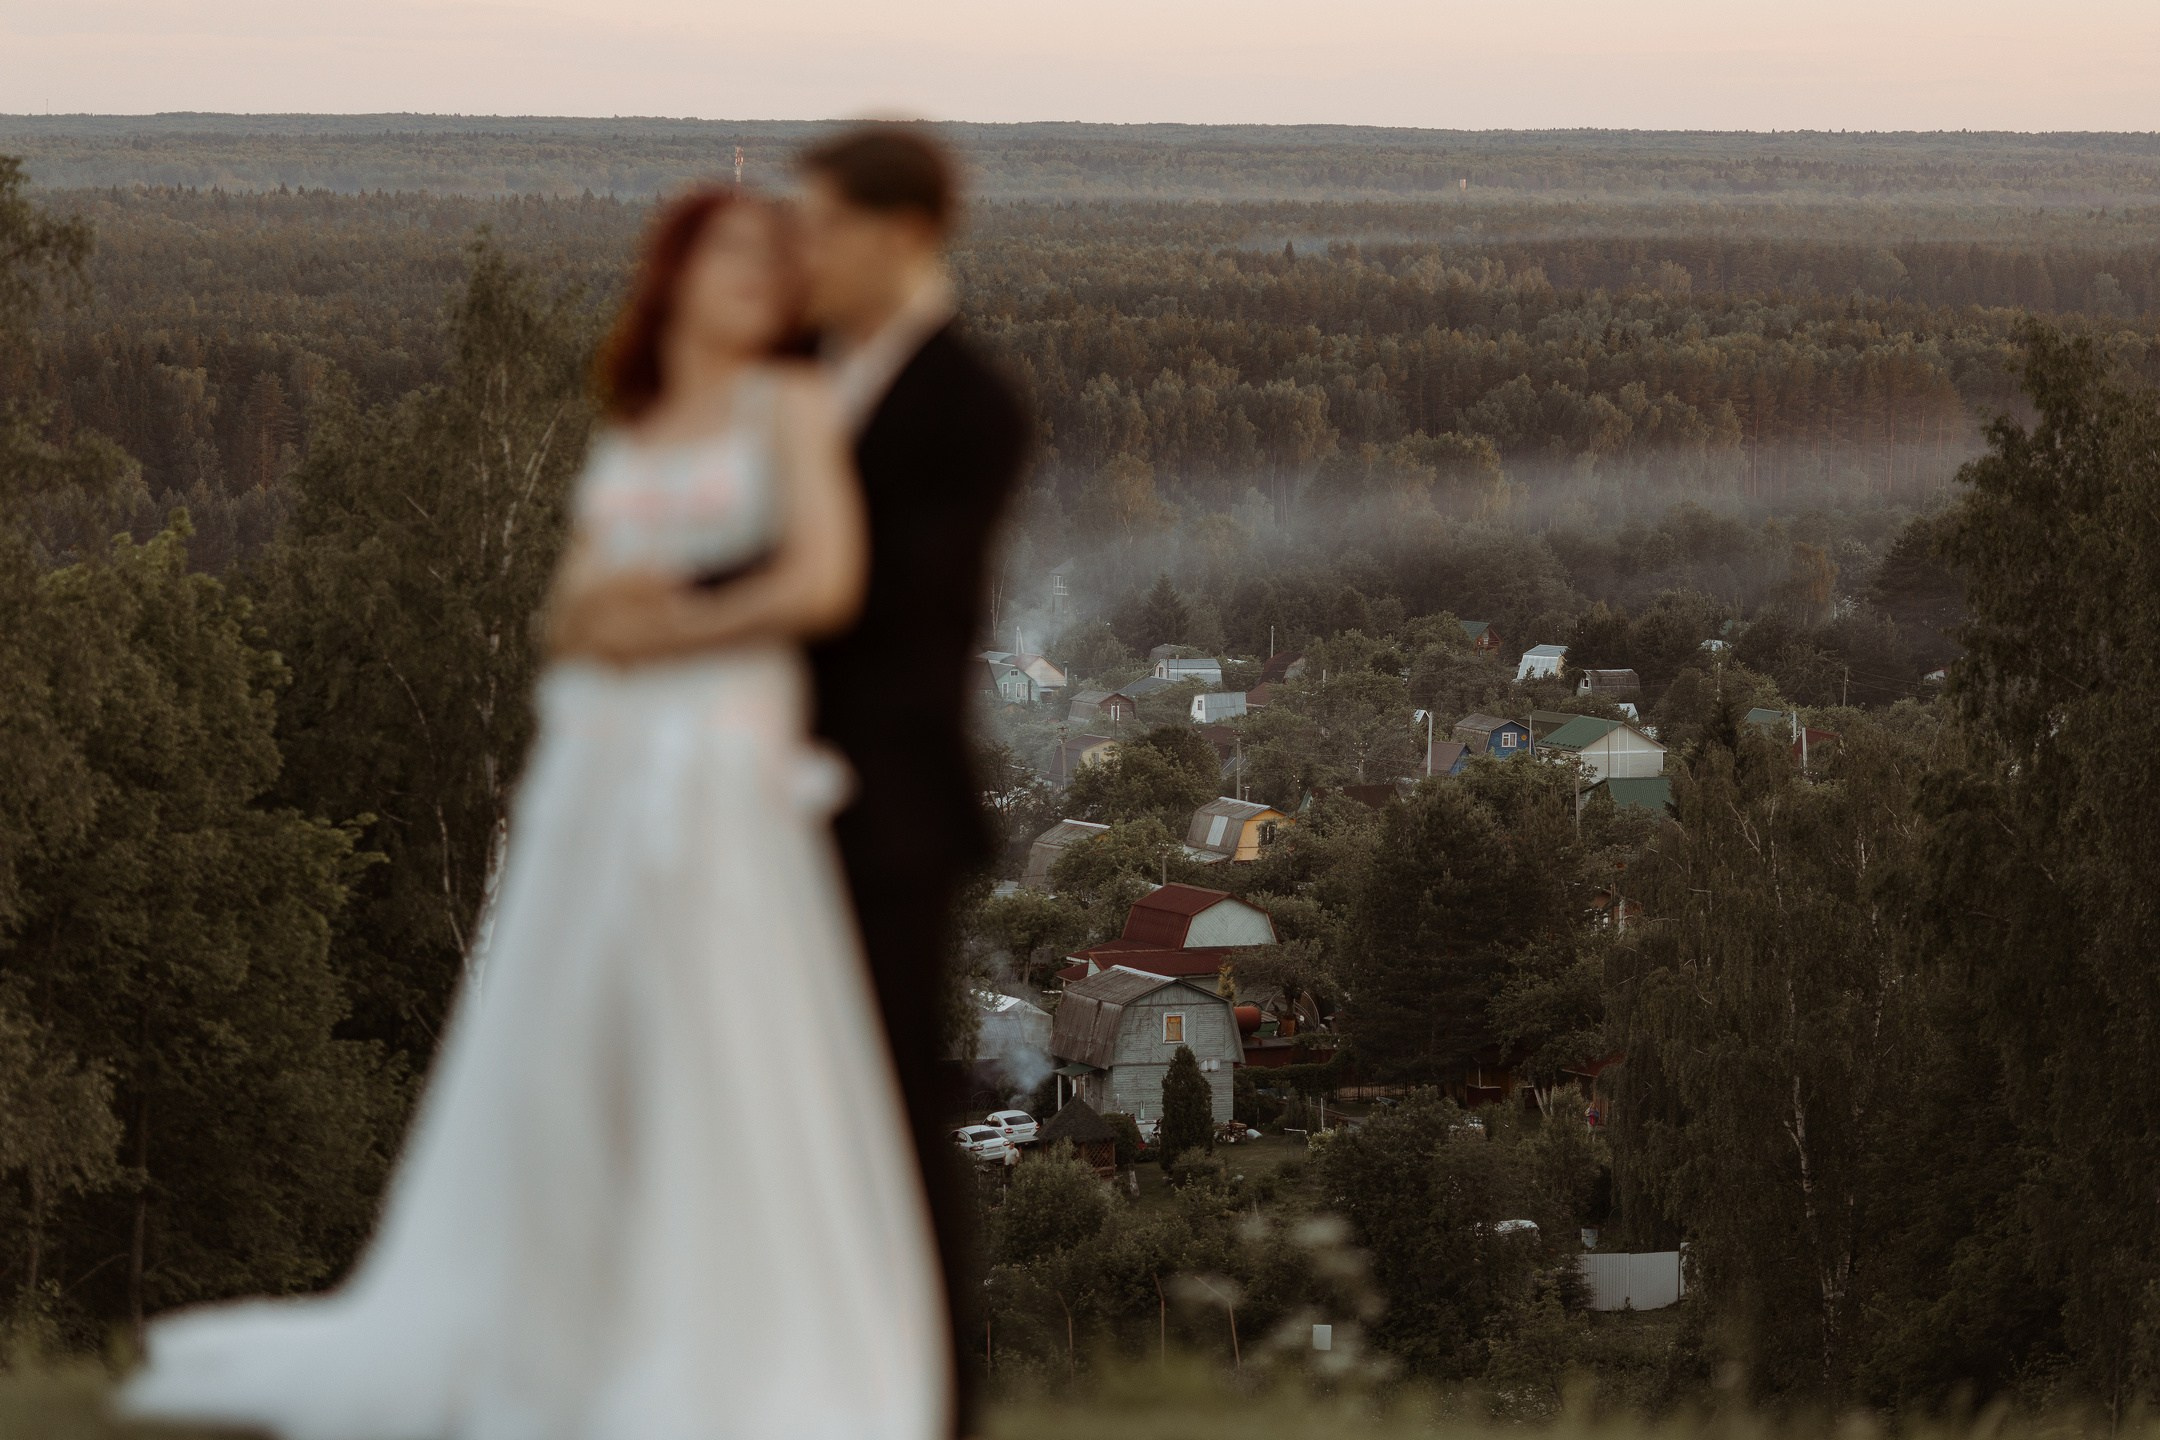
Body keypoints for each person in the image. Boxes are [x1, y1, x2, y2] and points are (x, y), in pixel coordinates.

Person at [118, 188, 951, 1440]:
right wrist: (604, 626)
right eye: (727, 254)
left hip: (716, 759)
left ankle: (725, 1341)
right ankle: (569, 1318)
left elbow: (825, 577)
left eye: (773, 264)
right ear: (671, 271)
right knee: (563, 1046)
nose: (752, 280)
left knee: (726, 1042)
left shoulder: (788, 405)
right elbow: (566, 609)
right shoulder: (640, 421)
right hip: (605, 763)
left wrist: (670, 623)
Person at [794, 125, 1030, 1436]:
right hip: (770, 802)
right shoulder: (806, 375)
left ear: (898, 234)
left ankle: (940, 1404)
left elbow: (910, 617)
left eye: (823, 226)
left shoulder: (969, 403)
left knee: (890, 1114)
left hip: (887, 813)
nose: (802, 252)